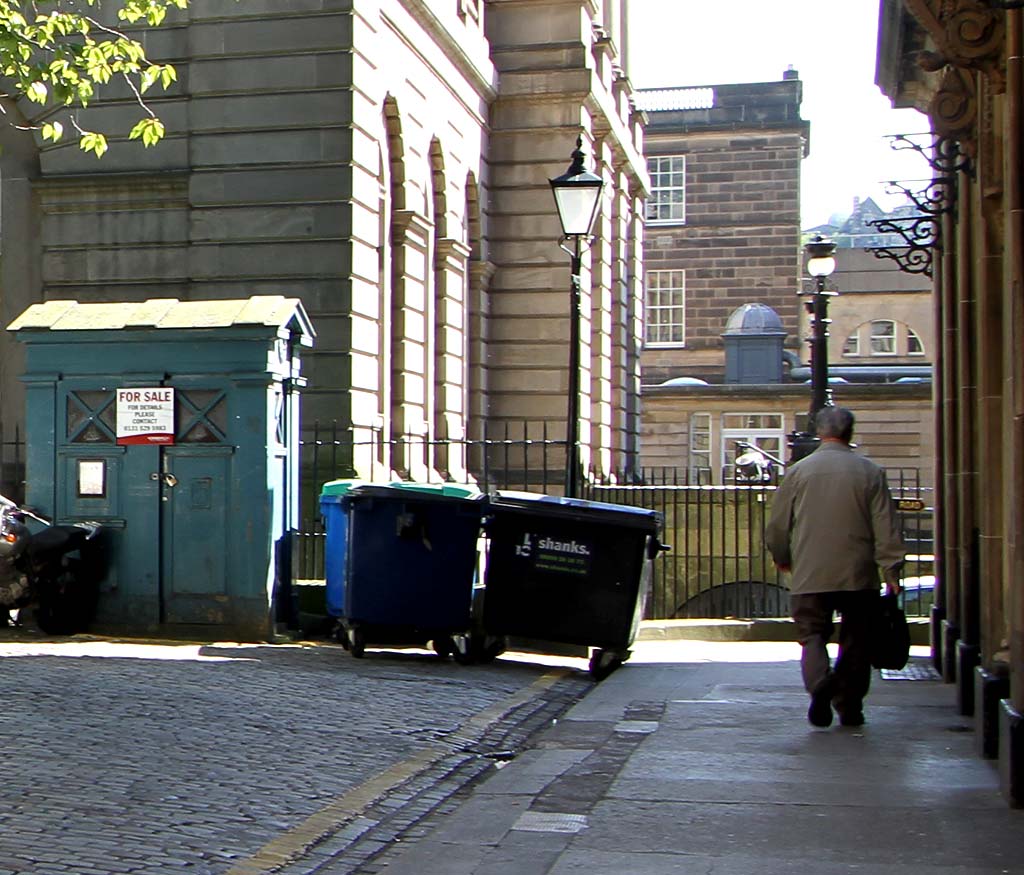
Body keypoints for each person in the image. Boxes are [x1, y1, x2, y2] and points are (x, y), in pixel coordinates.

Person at [765, 406, 905, 728]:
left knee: (811, 634)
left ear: (819, 431)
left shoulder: (798, 472)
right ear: (850, 433)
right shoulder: (870, 472)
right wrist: (891, 569)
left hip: (811, 571)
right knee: (857, 640)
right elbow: (885, 525)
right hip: (858, 573)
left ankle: (820, 684)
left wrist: (782, 554)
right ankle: (850, 705)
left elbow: (777, 525)